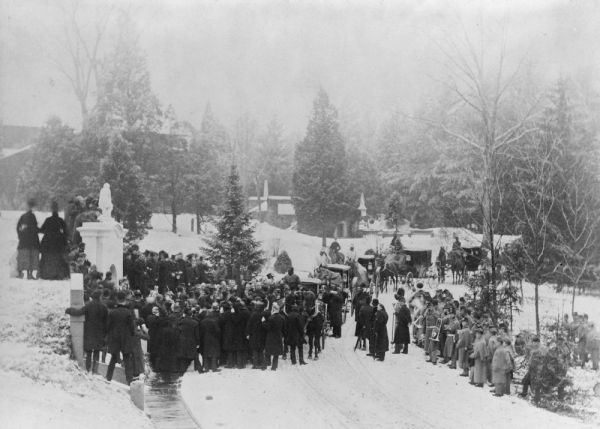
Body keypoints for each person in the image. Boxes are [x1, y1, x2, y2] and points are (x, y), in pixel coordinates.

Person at [65, 289, 108, 374]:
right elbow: (106, 322)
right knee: (96, 352)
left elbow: (78, 312)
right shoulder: (103, 307)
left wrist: (69, 310)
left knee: (89, 353)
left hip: (89, 332)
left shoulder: (88, 306)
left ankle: (88, 369)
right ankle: (95, 371)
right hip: (99, 333)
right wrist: (105, 334)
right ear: (99, 297)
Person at [106, 291, 135, 384]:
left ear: (117, 300)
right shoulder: (128, 312)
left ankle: (108, 378)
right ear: (125, 300)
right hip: (125, 338)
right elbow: (131, 327)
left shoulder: (112, 312)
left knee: (113, 359)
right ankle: (129, 380)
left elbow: (108, 326)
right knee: (127, 360)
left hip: (114, 338)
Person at [39, 201, 69, 280]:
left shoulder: (48, 220)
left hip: (48, 242)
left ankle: (46, 274)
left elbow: (42, 230)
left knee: (47, 258)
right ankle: (58, 275)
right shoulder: (60, 220)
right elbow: (66, 232)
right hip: (58, 243)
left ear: (51, 210)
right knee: (58, 257)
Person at [16, 198, 40, 279]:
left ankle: (22, 272)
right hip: (32, 240)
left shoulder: (23, 216)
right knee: (32, 256)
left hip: (24, 240)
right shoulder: (32, 216)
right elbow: (35, 228)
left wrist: (20, 235)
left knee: (23, 255)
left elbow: (18, 227)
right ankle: (30, 274)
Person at [199, 304, 222, 372]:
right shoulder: (214, 321)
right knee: (213, 353)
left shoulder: (202, 321)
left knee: (205, 353)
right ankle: (214, 367)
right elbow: (218, 331)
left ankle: (206, 367)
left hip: (205, 339)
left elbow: (200, 331)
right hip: (213, 339)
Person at [263, 303, 286, 371]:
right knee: (276, 353)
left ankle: (265, 365)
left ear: (273, 309)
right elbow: (284, 328)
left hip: (271, 336)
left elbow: (268, 327)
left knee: (268, 352)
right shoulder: (282, 318)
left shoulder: (271, 318)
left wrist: (263, 322)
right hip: (278, 336)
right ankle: (274, 367)